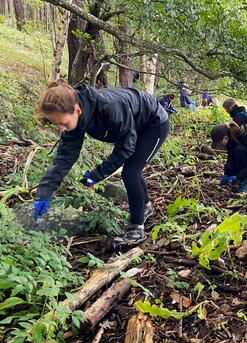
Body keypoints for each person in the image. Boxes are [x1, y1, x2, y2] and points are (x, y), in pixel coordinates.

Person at [33, 79, 170, 244]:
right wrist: (44, 194)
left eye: (63, 123)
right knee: (132, 169)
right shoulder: (75, 119)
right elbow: (64, 158)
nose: (61, 129)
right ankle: (145, 207)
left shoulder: (110, 107)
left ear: (77, 109)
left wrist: (96, 176)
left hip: (153, 123)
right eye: (57, 125)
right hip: (133, 125)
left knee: (130, 172)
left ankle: (137, 228)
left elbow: (126, 148)